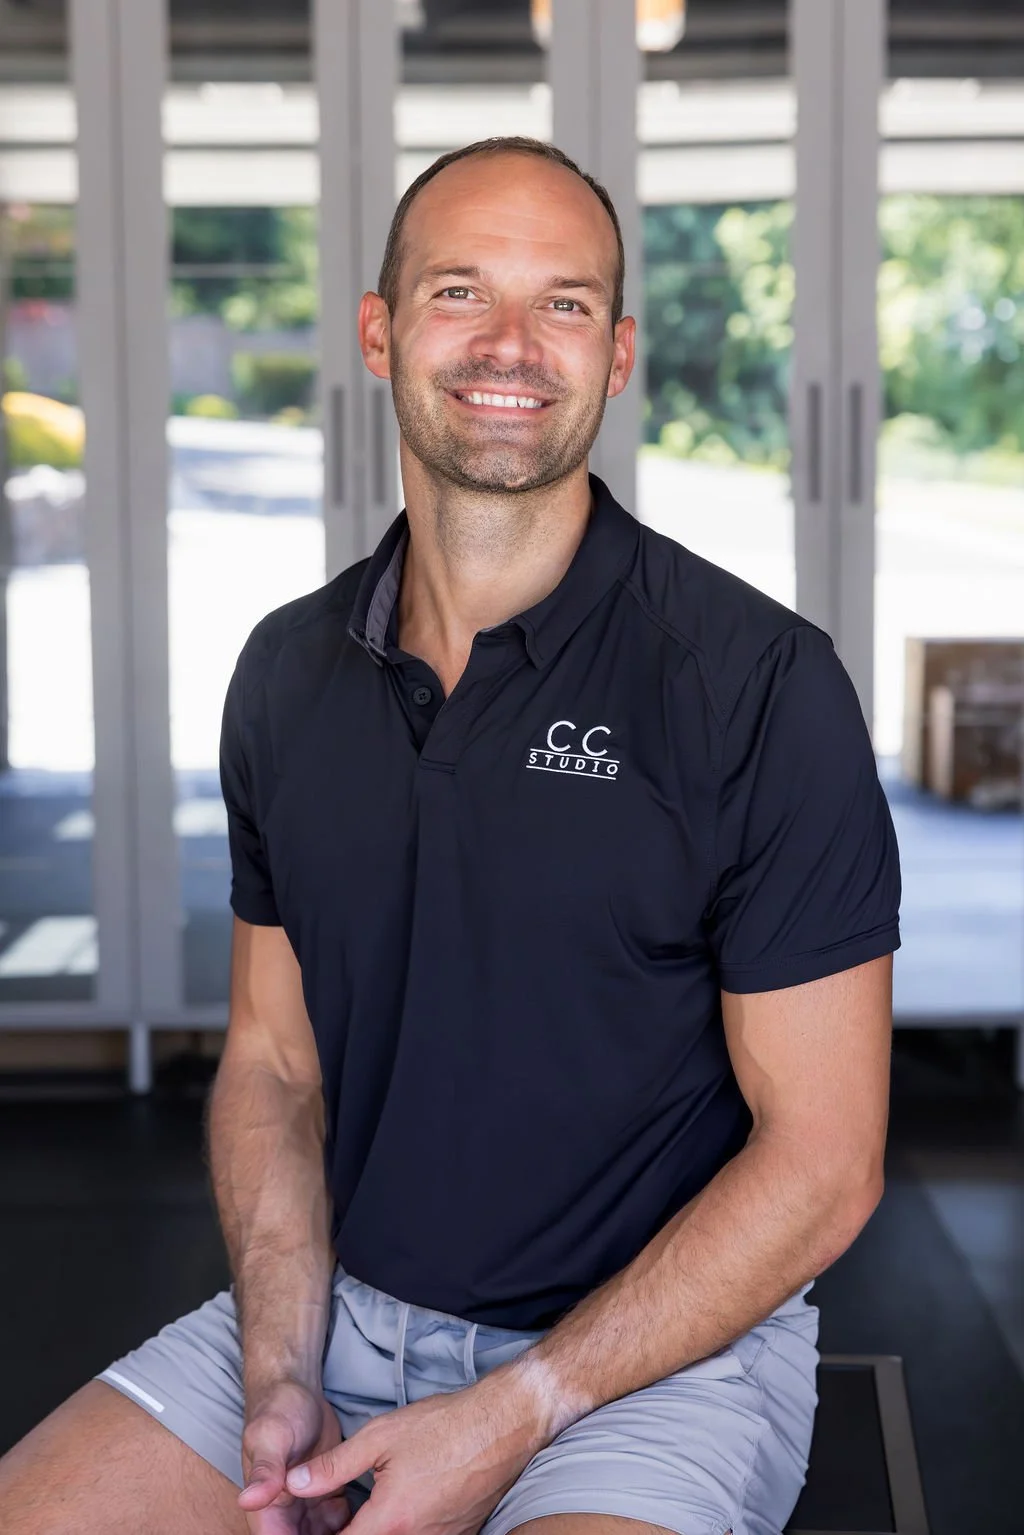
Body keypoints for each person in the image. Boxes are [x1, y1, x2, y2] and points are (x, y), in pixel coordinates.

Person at [0, 137, 900, 1535]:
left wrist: (516, 1408)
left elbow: (825, 1163)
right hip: (337, 1322)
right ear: (378, 332)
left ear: (618, 353)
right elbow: (276, 1062)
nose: (510, 344)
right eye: (460, 290)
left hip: (659, 1364)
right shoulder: (286, 674)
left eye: (564, 303)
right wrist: (280, 1367)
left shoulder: (758, 685)